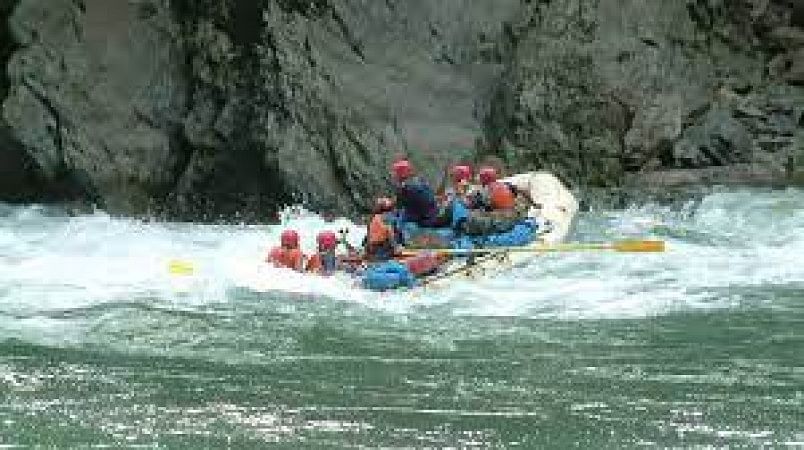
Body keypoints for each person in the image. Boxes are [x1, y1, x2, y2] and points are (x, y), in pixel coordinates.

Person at [391, 159, 450, 228]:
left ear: (401, 173)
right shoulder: (419, 181)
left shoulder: (406, 188)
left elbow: (401, 207)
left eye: (395, 172)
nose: (393, 175)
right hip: (432, 215)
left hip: (425, 220)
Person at [365, 197, 398, 261]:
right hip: (382, 247)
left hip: (374, 247)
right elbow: (389, 232)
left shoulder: (374, 218)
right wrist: (395, 247)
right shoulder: (384, 218)